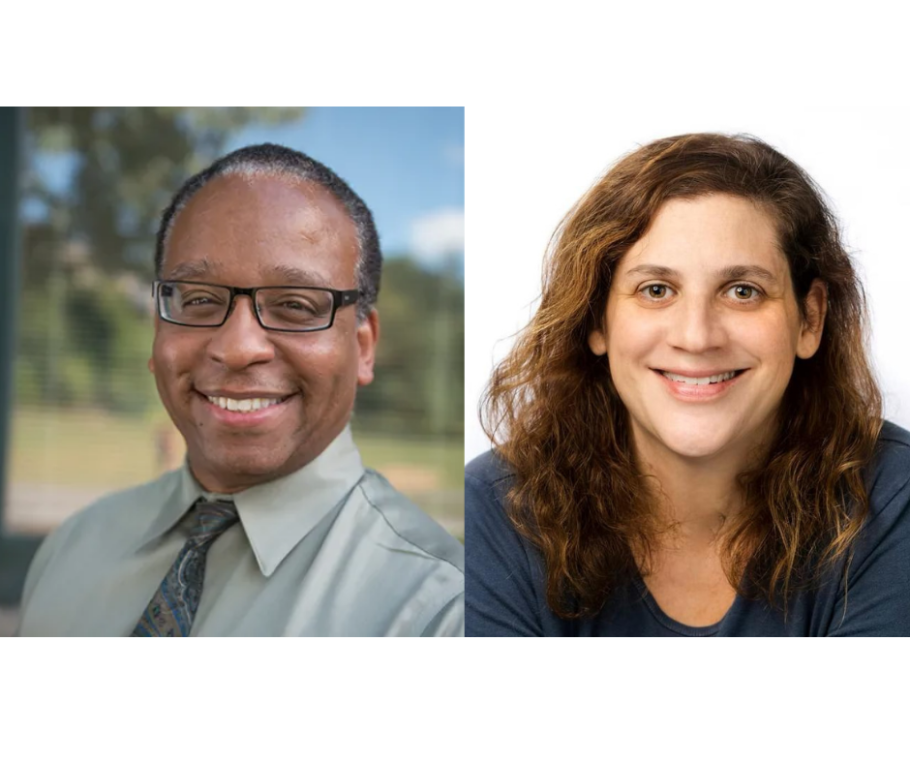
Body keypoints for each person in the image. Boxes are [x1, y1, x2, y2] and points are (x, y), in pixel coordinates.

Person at [466, 133, 910, 638]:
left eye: (743, 291)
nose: (696, 336)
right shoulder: (495, 512)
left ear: (810, 319)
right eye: (656, 290)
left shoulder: (893, 497)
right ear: (597, 321)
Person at [17, 143, 465, 638]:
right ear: (157, 335)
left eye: (295, 304)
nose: (237, 347)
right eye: (201, 300)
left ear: (363, 347)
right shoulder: (74, 545)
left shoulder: (441, 610)